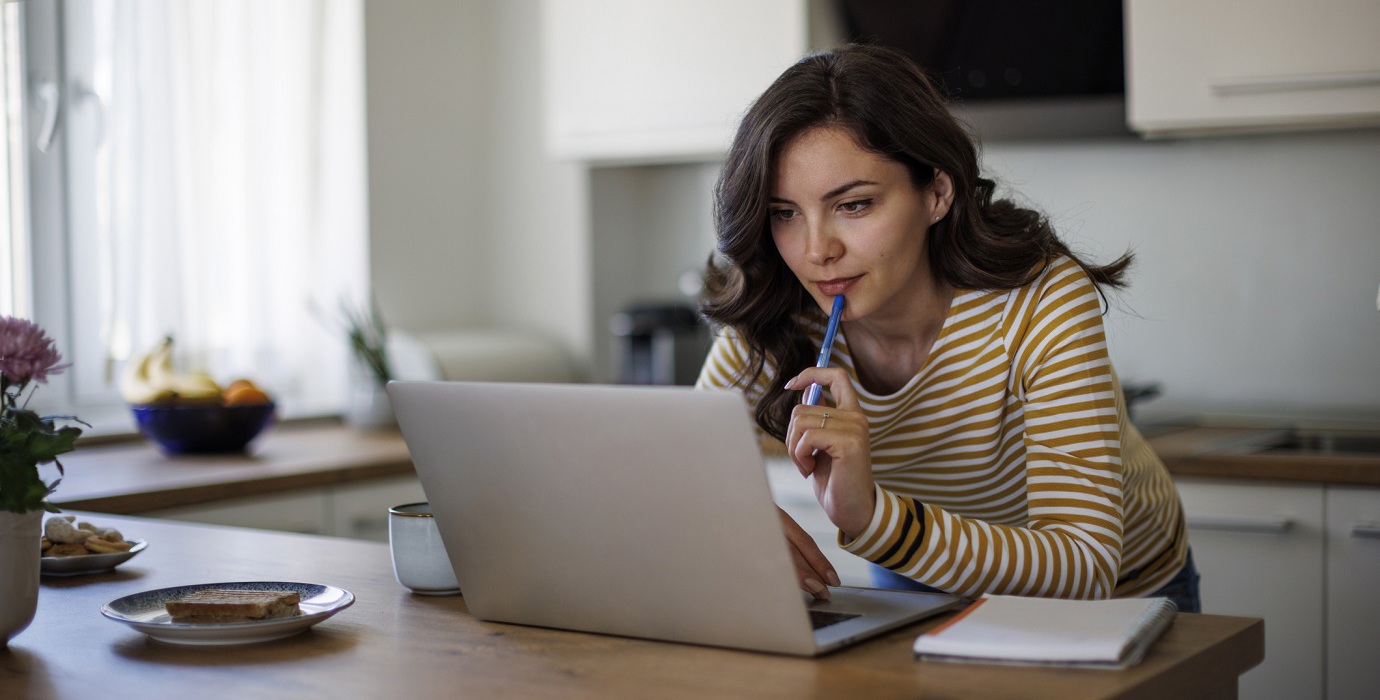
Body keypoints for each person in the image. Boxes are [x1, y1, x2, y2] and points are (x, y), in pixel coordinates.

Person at [695, 44, 1199, 612]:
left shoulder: (1039, 298)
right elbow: (682, 467)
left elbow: (1086, 563)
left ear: (936, 192)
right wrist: (736, 519)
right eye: (785, 213)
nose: (816, 252)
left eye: (854, 205)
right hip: (920, 576)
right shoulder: (778, 307)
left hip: (1118, 596)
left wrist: (874, 519)